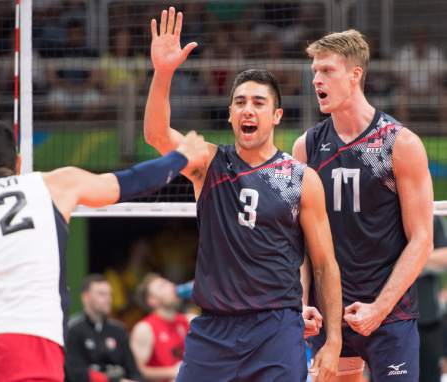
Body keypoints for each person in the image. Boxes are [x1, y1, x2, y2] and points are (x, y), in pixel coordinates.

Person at [144, 7, 342, 381]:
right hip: (214, 331)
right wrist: (163, 73)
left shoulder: (301, 178)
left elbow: (325, 265)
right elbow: (156, 135)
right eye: (240, 103)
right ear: (230, 115)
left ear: (277, 115)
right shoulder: (209, 162)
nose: (247, 110)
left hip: (276, 329)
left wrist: (333, 342)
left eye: (258, 103)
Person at [0, 118, 209, 382]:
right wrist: (181, 157)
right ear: (17, 163)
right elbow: (132, 182)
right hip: (26, 340)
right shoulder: (54, 184)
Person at [292, 29, 434, 381]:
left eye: (327, 70)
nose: (316, 80)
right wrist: (300, 304)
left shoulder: (399, 143)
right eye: (314, 72)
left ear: (355, 75)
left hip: (389, 314)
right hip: (330, 314)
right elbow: (299, 244)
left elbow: (422, 240)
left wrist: (378, 309)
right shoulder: (306, 148)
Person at [65, 274, 141, 382]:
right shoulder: (73, 329)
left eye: (110, 294)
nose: (108, 299)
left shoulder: (119, 330)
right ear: (85, 297)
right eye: (102, 294)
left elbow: (134, 372)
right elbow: (75, 374)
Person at [130, 274, 192, 382]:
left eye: (169, 282)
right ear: (152, 300)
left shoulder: (188, 320)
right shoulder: (145, 329)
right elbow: (136, 370)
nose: (171, 286)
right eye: (162, 286)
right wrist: (171, 371)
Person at [417, 216, 447, 382]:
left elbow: (445, 257)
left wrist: (408, 261)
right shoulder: (380, 214)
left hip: (428, 321)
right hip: (387, 323)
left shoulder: (432, 217)